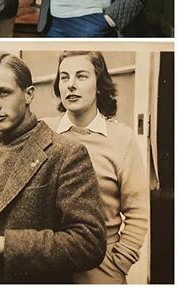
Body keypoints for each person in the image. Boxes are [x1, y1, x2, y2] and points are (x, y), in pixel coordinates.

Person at [0, 53, 106, 284]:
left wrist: (6, 244)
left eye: (3, 92)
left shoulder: (65, 153)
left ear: (29, 94)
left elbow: (89, 243)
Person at [44, 51, 148, 283]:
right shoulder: (42, 132)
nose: (70, 85)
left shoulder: (122, 138)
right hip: (46, 265)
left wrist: (119, 263)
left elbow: (138, 211)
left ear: (99, 85)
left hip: (100, 269)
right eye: (64, 77)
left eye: (81, 76)